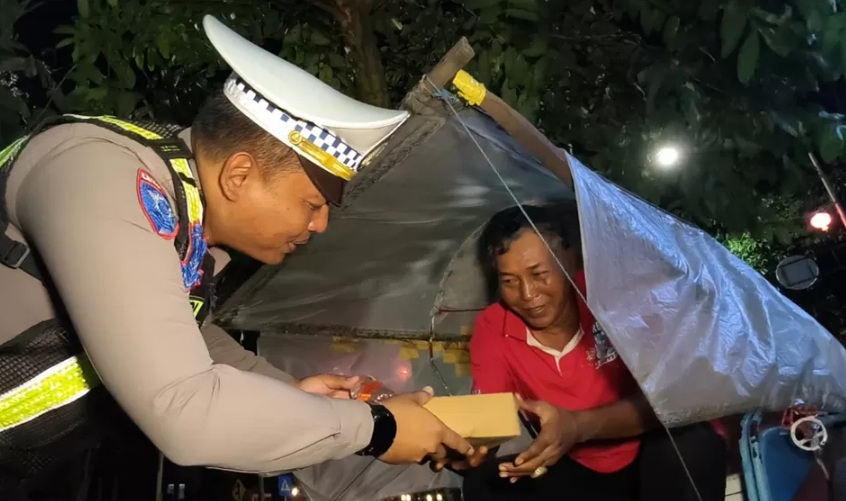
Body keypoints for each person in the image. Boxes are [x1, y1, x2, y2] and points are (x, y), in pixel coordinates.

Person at [0, 14, 473, 497]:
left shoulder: (186, 220)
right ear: (240, 175)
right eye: (313, 204)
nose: (319, 225)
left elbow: (183, 336)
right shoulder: (99, 174)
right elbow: (185, 410)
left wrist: (287, 393)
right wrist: (377, 428)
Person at [458, 202, 728, 501]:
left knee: (688, 441)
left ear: (569, 259)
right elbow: (489, 417)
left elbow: (673, 400)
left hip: (653, 453)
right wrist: (468, 448)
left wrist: (576, 426)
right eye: (509, 281)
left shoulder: (614, 293)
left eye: (539, 274)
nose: (528, 295)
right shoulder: (493, 326)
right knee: (485, 483)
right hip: (579, 468)